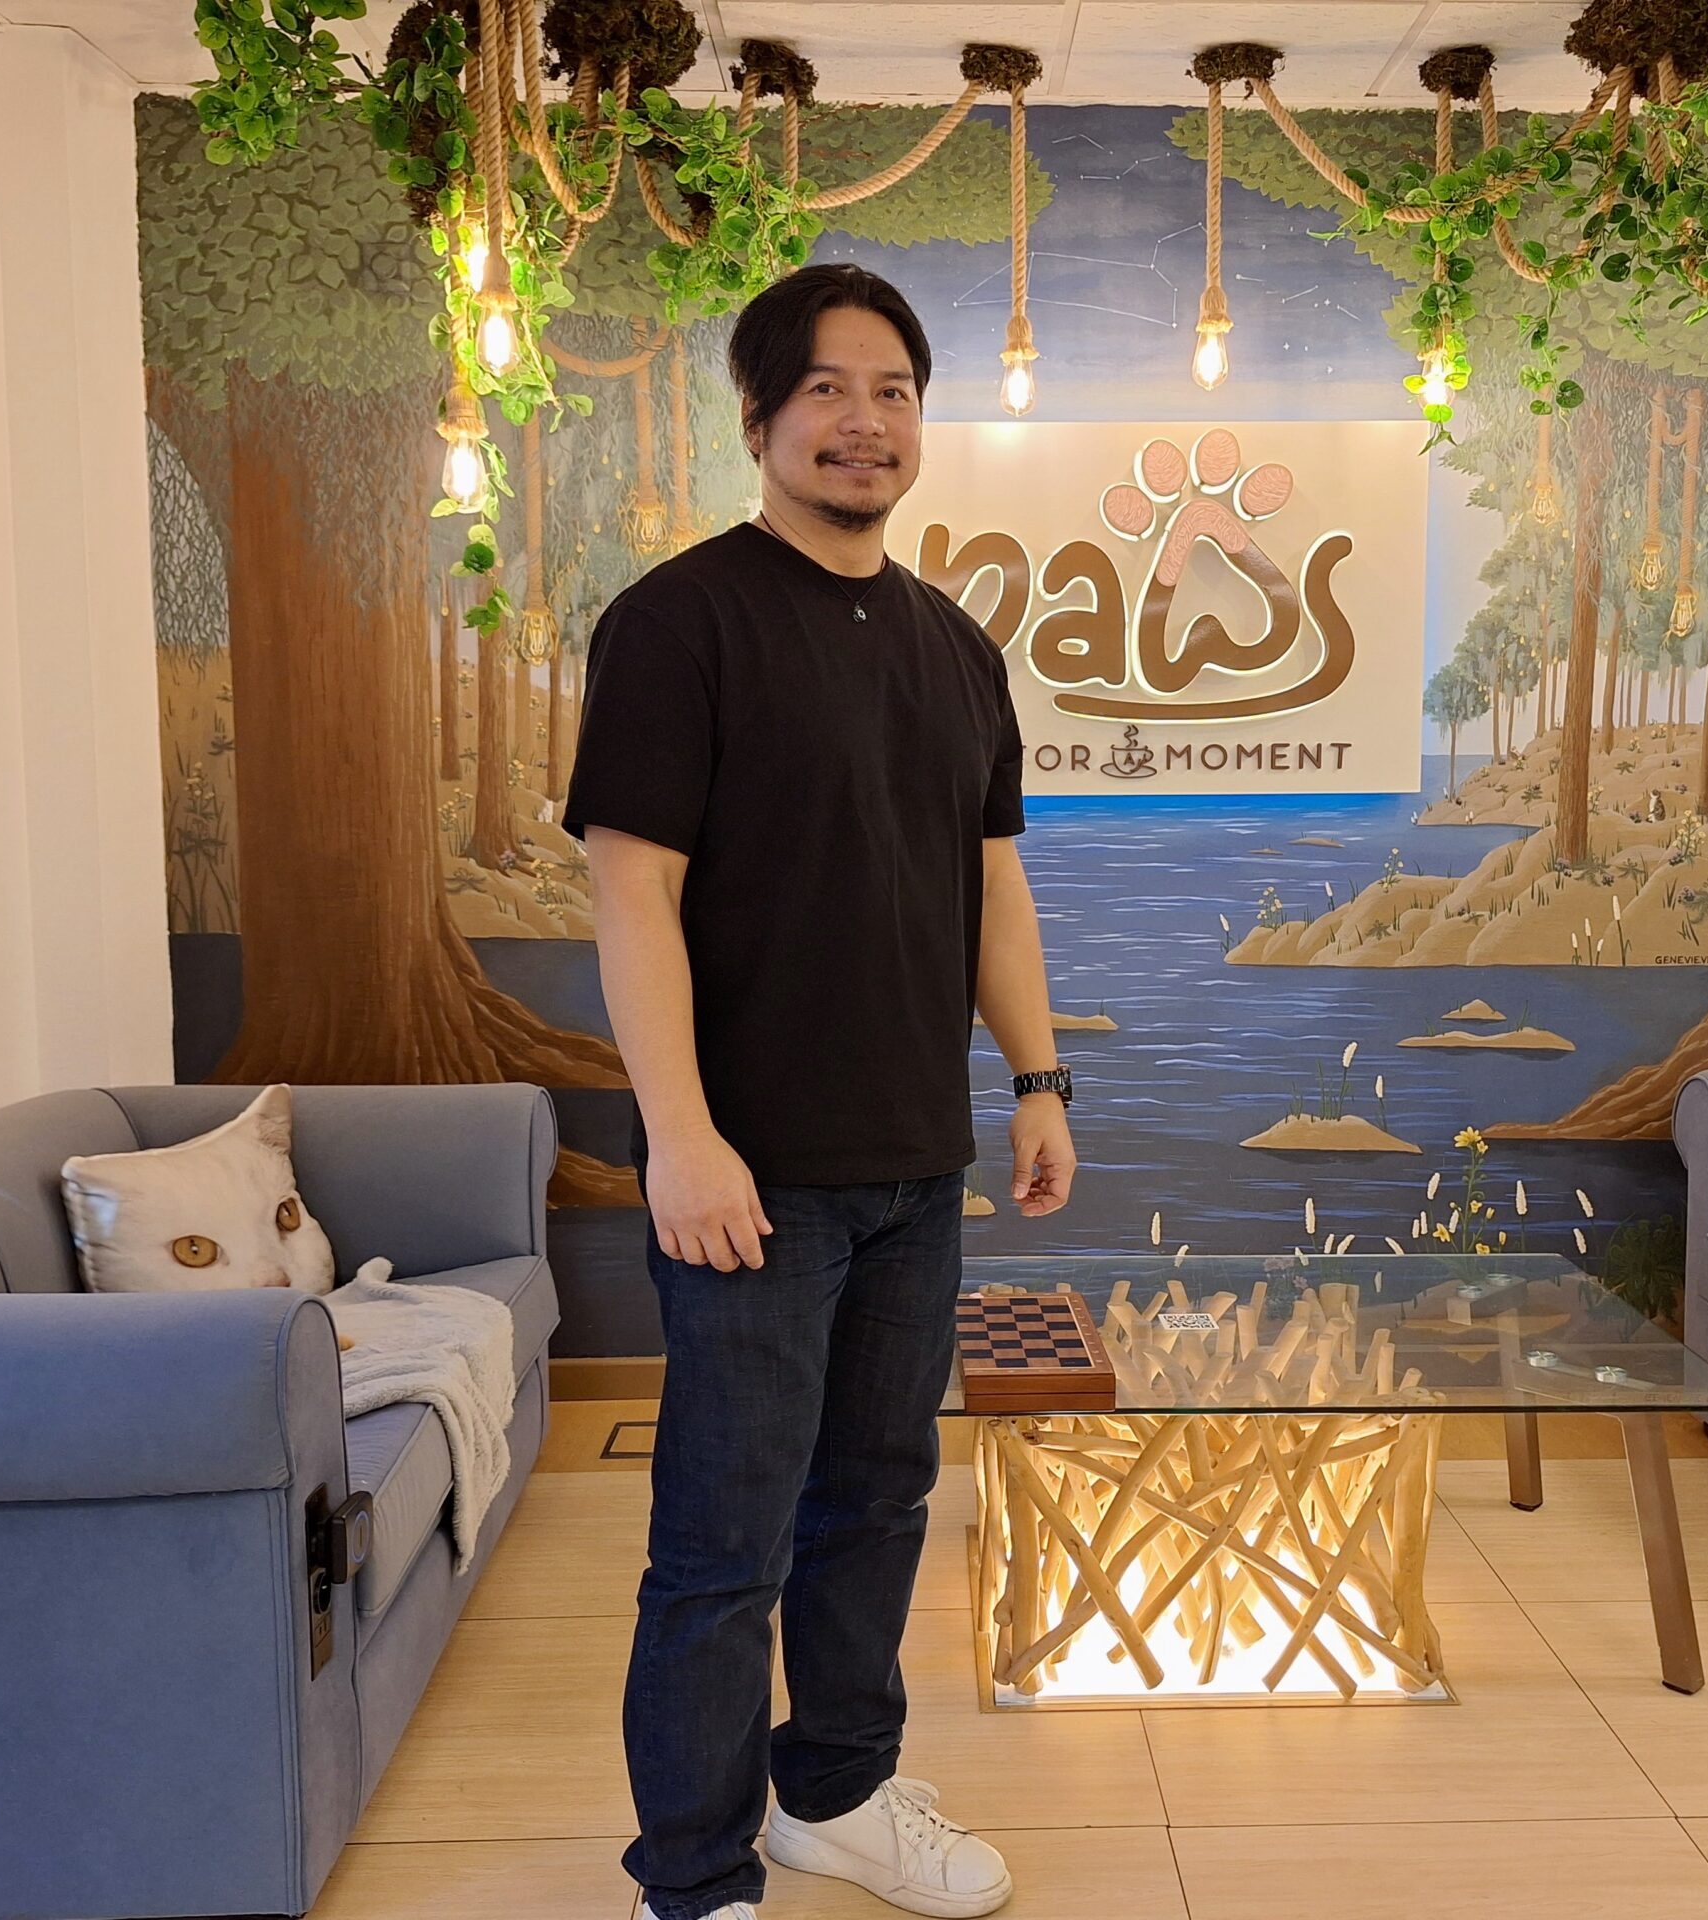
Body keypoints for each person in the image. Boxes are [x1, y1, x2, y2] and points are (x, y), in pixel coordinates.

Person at [561, 262, 1079, 1920]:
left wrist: (1040, 1081)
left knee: (880, 1504)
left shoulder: (956, 648)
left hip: (917, 1169)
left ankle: (835, 1796)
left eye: (895, 392)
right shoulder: (679, 622)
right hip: (748, 1183)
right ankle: (697, 1877)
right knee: (724, 1549)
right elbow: (629, 889)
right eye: (831, 391)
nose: (866, 423)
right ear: (762, 417)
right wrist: (684, 1139)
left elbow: (993, 886)